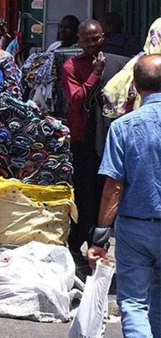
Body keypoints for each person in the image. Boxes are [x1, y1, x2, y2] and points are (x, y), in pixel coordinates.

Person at [87, 53, 161, 338]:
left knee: (133, 302)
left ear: (135, 86)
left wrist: (100, 236)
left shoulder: (124, 127)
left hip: (136, 227)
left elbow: (114, 187)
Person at [61, 19, 109, 261]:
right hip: (81, 138)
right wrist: (95, 75)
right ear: (79, 41)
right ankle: (75, 243)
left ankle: (97, 243)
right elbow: (77, 98)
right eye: (87, 40)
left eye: (96, 39)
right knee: (82, 192)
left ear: (103, 37)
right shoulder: (71, 65)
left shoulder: (116, 63)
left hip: (108, 138)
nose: (92, 44)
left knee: (103, 191)